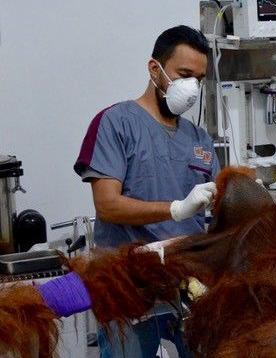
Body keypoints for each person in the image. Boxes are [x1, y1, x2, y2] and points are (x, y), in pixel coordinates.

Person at [74, 25, 220, 358]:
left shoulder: (200, 140)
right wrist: (175, 210)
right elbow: (107, 205)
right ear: (155, 69)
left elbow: (215, 209)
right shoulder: (116, 123)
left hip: (189, 288)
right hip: (129, 289)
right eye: (184, 75)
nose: (192, 88)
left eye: (199, 80)